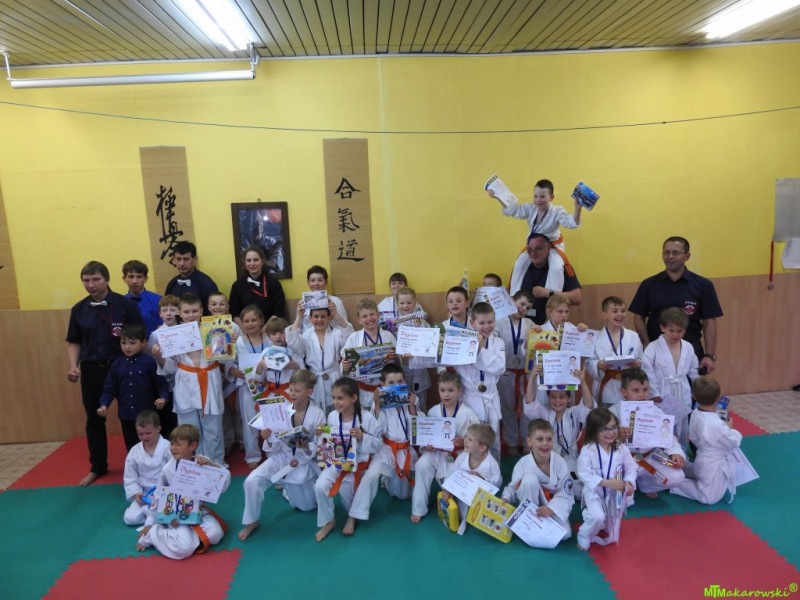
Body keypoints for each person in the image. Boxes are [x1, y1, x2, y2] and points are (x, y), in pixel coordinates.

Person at [66, 261, 144, 486]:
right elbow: (74, 341)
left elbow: (140, 336)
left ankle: (139, 465)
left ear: (107, 280)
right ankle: (98, 466)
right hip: (92, 369)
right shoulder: (78, 309)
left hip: (123, 366)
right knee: (94, 418)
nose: (91, 285)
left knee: (131, 416)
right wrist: (73, 366)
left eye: (96, 279)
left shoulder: (125, 305)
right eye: (86, 281)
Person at [238, 370, 326, 540]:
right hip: (282, 458)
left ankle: (288, 490)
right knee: (251, 481)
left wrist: (307, 447)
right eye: (291, 389)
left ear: (309, 392)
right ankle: (252, 521)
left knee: (306, 507)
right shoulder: (282, 410)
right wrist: (268, 438)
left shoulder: (318, 414)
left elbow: (321, 446)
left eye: (297, 391)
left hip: (303, 462)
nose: (292, 394)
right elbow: (273, 446)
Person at [152, 293, 227, 467]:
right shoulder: (171, 335)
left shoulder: (214, 329)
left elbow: (223, 359)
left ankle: (215, 464)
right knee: (188, 428)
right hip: (185, 381)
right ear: (180, 312)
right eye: (186, 312)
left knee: (213, 428)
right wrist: (158, 356)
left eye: (194, 311)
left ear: (201, 311)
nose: (191, 315)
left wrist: (228, 342)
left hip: (209, 377)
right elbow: (169, 368)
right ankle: (191, 465)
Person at [629, 236, 723, 374]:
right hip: (657, 352)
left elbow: (709, 321)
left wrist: (709, 355)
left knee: (690, 387)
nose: (670, 257)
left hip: (691, 351)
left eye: (675, 253)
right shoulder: (649, 284)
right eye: (666, 252)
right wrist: (647, 344)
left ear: (687, 256)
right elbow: (639, 317)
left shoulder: (703, 285)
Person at [136, 424, 231, 560]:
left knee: (216, 535)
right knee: (184, 550)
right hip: (175, 515)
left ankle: (186, 538)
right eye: (172, 444)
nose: (173, 448)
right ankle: (153, 534)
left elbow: (224, 485)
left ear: (193, 446)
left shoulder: (203, 462)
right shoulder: (167, 469)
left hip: (198, 511)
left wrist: (211, 466)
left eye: (178, 444)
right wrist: (149, 523)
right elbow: (158, 496)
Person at [313, 377, 383, 541]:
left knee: (351, 503)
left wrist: (363, 437)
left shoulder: (366, 418)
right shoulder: (332, 416)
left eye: (340, 398)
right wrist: (320, 434)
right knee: (319, 486)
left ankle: (352, 518)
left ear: (353, 398)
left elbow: (379, 444)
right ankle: (328, 521)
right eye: (333, 397)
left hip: (358, 463)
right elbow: (328, 441)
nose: (335, 402)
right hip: (337, 462)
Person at [410, 371, 479, 522]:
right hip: (437, 453)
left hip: (459, 455)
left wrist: (465, 441)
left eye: (450, 390)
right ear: (438, 391)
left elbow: (477, 437)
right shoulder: (433, 411)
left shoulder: (468, 413)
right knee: (422, 464)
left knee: (459, 508)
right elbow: (427, 435)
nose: (446, 394)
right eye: (442, 390)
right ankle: (418, 508)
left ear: (459, 392)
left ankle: (454, 498)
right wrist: (427, 446)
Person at [610, 369, 686, 498]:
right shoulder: (613, 413)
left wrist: (676, 452)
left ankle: (646, 484)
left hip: (649, 458)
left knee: (677, 477)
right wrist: (618, 436)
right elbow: (601, 442)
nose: (642, 395)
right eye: (636, 390)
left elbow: (668, 436)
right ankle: (630, 484)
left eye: (645, 390)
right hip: (624, 461)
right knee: (616, 491)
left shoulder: (656, 411)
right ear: (623, 392)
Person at [523, 367, 595, 497]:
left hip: (569, 459)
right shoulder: (544, 413)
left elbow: (588, 406)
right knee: (534, 486)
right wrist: (532, 378)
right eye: (553, 397)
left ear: (569, 398)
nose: (557, 401)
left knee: (577, 492)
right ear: (548, 399)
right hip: (547, 458)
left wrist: (583, 382)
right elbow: (530, 404)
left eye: (561, 397)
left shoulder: (574, 413)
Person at [671, 377, 744, 504]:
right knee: (709, 498)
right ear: (719, 397)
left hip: (702, 457)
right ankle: (674, 483)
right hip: (713, 464)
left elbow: (693, 437)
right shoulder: (716, 424)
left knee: (703, 477)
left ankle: (686, 472)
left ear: (693, 396)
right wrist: (730, 429)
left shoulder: (695, 413)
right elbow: (733, 442)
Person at [501, 419, 575, 546]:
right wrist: (506, 498)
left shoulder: (560, 463)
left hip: (550, 504)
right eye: (540, 439)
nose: (545, 443)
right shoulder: (523, 464)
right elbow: (512, 488)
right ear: (529, 441)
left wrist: (552, 509)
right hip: (529, 503)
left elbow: (566, 493)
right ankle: (528, 520)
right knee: (529, 479)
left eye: (549, 439)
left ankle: (538, 526)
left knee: (565, 534)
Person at [96, 323, 169, 451]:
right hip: (126, 415)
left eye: (132, 343)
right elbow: (109, 389)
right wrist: (104, 405)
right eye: (123, 343)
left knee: (151, 445)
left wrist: (163, 398)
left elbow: (161, 384)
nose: (127, 347)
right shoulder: (117, 364)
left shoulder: (149, 362)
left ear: (143, 343)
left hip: (147, 414)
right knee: (131, 447)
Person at [576, 407, 637, 551]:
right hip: (595, 492)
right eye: (604, 429)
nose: (610, 433)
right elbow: (584, 473)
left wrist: (629, 482)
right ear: (594, 430)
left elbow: (631, 468)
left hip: (613, 493)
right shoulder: (588, 450)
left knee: (609, 528)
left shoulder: (621, 448)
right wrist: (607, 482)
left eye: (613, 427)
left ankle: (601, 519)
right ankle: (584, 534)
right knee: (597, 517)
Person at [454, 302, 506, 461]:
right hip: (471, 398)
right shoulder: (462, 341)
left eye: (490, 322)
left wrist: (480, 349)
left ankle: (493, 471)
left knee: (493, 439)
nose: (486, 326)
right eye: (481, 323)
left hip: (489, 396)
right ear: (472, 323)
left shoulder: (498, 343)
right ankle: (470, 470)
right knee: (472, 439)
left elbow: (499, 367)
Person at [641, 307, 699, 445]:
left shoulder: (688, 347)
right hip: (662, 393)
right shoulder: (653, 347)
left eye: (680, 331)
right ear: (662, 328)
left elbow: (693, 370)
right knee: (662, 425)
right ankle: (662, 454)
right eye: (671, 330)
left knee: (682, 426)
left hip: (682, 390)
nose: (675, 335)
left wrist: (698, 389)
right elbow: (647, 371)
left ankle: (681, 453)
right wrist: (654, 392)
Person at [288, 301, 353, 414]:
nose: (319, 320)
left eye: (323, 316)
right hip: (315, 380)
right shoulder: (307, 336)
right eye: (316, 316)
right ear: (310, 318)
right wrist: (299, 316)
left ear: (329, 318)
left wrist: (336, 314)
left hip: (334, 378)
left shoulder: (336, 333)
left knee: (338, 410)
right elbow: (293, 342)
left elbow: (350, 336)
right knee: (318, 412)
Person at [228, 305, 270, 469]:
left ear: (261, 321)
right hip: (248, 386)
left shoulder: (270, 338)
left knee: (271, 420)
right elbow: (230, 362)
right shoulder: (238, 342)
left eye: (254, 320)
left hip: (269, 386)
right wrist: (233, 370)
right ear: (242, 323)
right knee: (250, 421)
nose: (250, 324)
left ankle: (273, 452)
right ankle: (252, 455)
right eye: (246, 321)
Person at [371, 364, 421, 501]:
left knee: (408, 493)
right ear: (383, 385)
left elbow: (418, 429)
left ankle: (393, 477)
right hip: (389, 450)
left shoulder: (412, 399)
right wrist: (377, 405)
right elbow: (378, 430)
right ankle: (385, 479)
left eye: (400, 381)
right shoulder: (378, 402)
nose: (396, 386)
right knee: (400, 495)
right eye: (391, 382)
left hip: (407, 448)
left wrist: (412, 407)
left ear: (405, 381)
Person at [510, 233, 582, 324]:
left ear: (548, 248)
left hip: (548, 326)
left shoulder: (560, 268)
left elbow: (577, 298)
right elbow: (512, 296)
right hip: (521, 325)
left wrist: (549, 293)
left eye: (538, 248)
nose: (533, 253)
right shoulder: (522, 267)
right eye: (530, 249)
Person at [585, 296, 643, 407]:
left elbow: (641, 358)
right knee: (606, 417)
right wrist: (598, 364)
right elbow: (589, 362)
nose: (620, 314)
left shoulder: (634, 336)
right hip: (607, 389)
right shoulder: (595, 338)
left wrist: (639, 363)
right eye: (615, 311)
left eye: (623, 311)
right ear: (604, 315)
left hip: (629, 388)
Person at [340, 298, 397, 411]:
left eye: (372, 314)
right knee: (365, 418)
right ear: (359, 320)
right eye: (364, 316)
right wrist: (345, 366)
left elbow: (397, 363)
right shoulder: (354, 338)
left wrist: (395, 356)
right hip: (362, 389)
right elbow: (345, 362)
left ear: (378, 315)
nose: (369, 318)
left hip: (384, 387)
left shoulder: (388, 336)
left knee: (386, 417)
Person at [495, 290, 534, 455]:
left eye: (528, 307)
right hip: (506, 373)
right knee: (508, 409)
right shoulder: (498, 322)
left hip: (525, 373)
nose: (524, 309)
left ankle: (526, 442)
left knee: (527, 410)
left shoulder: (530, 324)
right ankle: (511, 443)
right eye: (522, 304)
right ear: (511, 301)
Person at [440, 423, 502, 520]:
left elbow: (496, 484)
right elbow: (451, 473)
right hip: (461, 494)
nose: (465, 441)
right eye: (466, 437)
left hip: (480, 499)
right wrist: (447, 489)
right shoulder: (463, 456)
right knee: (454, 509)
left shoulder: (492, 464)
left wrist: (482, 479)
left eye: (470, 439)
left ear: (482, 448)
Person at [121, 410, 170, 526]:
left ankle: (152, 515)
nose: (144, 437)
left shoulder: (168, 447)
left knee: (170, 514)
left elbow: (174, 473)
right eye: (140, 434)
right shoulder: (135, 451)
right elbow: (130, 477)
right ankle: (153, 515)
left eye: (148, 433)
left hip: (165, 493)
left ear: (158, 428)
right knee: (130, 518)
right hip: (145, 494)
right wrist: (136, 493)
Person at [229, 245, 287, 329]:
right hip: (245, 331)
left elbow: (279, 311)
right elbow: (234, 313)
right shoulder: (237, 285)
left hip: (270, 330)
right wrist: (246, 331)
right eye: (248, 260)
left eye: (256, 260)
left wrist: (264, 330)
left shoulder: (274, 283)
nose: (252, 264)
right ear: (244, 263)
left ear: (262, 261)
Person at [163, 241, 219, 315]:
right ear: (174, 260)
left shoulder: (207, 284)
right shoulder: (172, 284)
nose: (182, 263)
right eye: (178, 259)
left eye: (186, 259)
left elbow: (213, 314)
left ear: (195, 259)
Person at [298, 265, 350, 332]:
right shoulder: (303, 303)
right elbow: (299, 328)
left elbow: (346, 326)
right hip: (308, 337)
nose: (316, 283)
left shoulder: (336, 301)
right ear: (308, 283)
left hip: (332, 336)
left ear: (326, 282)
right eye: (312, 280)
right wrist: (299, 315)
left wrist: (335, 313)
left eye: (320, 280)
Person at [122, 260, 162, 337]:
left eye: (139, 277)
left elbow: (163, 328)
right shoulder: (119, 303)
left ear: (145, 279)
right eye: (131, 277)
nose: (135, 281)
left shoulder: (158, 301)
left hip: (154, 343)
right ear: (124, 279)